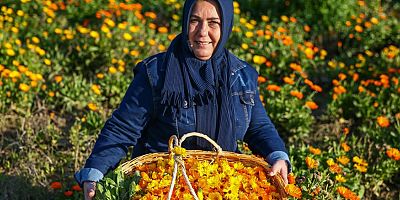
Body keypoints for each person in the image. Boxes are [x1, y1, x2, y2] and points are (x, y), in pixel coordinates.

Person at [75, 0, 291, 199]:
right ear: (185, 21)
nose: (202, 32)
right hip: (163, 184)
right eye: (195, 21)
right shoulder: (157, 73)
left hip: (223, 181)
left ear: (226, 27)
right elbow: (122, 128)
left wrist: (278, 155)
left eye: (213, 23)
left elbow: (259, 128)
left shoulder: (240, 76)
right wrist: (95, 173)